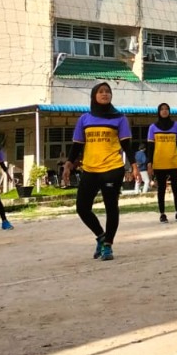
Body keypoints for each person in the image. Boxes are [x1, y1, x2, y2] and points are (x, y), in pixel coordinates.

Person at [69, 81, 132, 261]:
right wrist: (68, 164)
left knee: (111, 207)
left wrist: (134, 165)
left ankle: (108, 245)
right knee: (82, 208)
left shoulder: (119, 118)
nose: (105, 94)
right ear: (94, 96)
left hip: (112, 168)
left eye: (108, 92)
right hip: (89, 169)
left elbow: (127, 145)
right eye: (101, 91)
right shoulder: (85, 119)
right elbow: (77, 145)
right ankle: (101, 236)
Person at [147, 102, 177, 222]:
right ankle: (162, 214)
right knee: (161, 189)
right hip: (159, 162)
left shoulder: (176, 125)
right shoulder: (152, 127)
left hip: (174, 161)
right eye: (162, 109)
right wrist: (149, 163)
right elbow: (150, 147)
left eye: (166, 109)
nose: (164, 111)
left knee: (176, 189)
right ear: (158, 112)